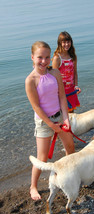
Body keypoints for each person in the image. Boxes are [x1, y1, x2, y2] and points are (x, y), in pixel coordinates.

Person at [25, 41, 75, 201]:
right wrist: (51, 125)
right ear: (32, 57)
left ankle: (69, 176)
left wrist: (65, 118)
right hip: (43, 122)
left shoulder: (55, 73)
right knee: (42, 158)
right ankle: (33, 186)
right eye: (40, 57)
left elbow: (61, 96)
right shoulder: (30, 80)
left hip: (60, 116)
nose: (44, 61)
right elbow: (36, 107)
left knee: (70, 148)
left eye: (47, 57)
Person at [52, 31, 81, 113]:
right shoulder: (57, 58)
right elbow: (54, 77)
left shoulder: (72, 56)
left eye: (68, 42)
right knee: (61, 114)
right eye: (64, 42)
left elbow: (75, 73)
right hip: (61, 91)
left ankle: (71, 126)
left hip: (71, 89)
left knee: (71, 114)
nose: (66, 44)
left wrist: (76, 86)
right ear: (59, 43)